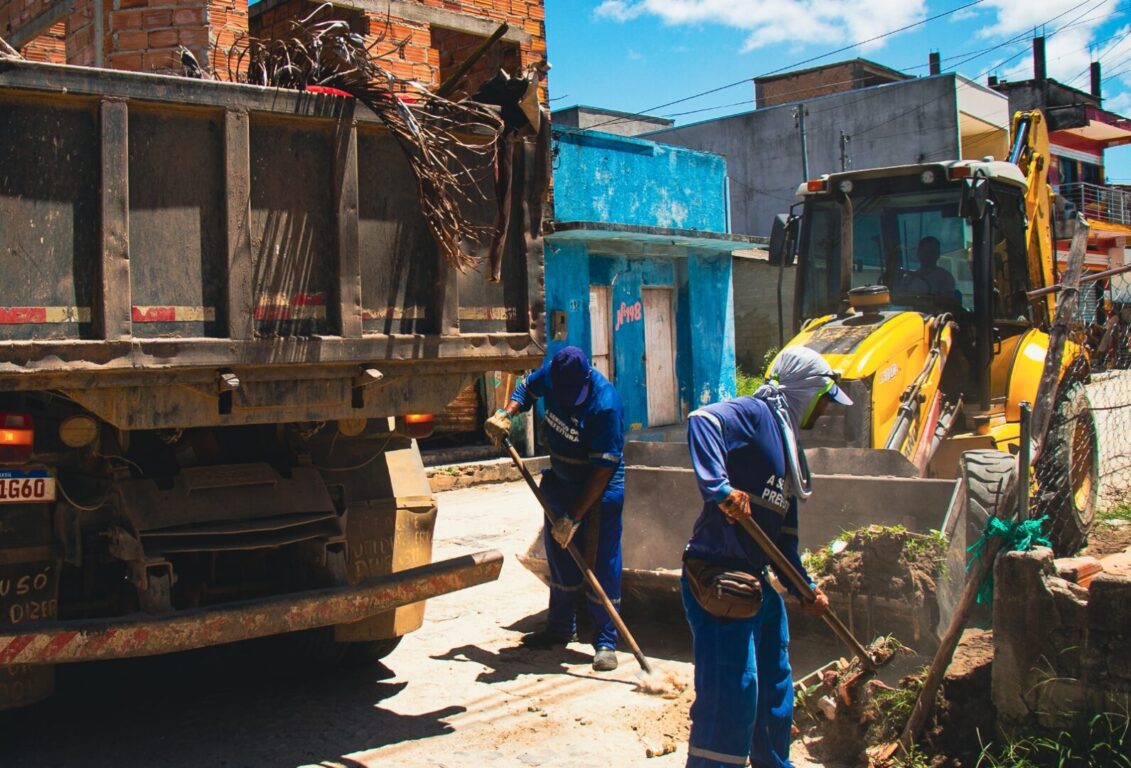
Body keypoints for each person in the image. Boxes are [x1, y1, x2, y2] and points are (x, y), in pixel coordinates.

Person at [681, 346, 853, 768]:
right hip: (720, 574)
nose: (826, 410)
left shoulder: (789, 450)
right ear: (806, 390)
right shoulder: (756, 415)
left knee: (775, 686)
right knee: (732, 694)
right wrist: (720, 489)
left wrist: (805, 589)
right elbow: (702, 422)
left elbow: (784, 546)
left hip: (757, 578)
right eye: (825, 398)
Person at [484, 346, 625, 672]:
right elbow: (525, 389)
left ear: (587, 376)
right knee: (560, 556)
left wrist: (574, 517)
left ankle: (605, 641)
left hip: (599, 489)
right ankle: (560, 628)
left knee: (600, 561)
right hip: (561, 481)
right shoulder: (553, 373)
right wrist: (508, 413)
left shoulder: (605, 406)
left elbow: (603, 470)